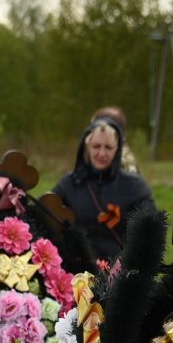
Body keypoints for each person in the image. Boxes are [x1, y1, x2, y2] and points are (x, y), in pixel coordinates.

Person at [50, 107, 154, 264]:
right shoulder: (68, 184)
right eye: (96, 146)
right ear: (87, 147)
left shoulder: (135, 187)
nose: (102, 154)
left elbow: (150, 235)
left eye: (108, 147)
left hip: (118, 274)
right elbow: (44, 218)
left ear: (118, 149)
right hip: (74, 272)